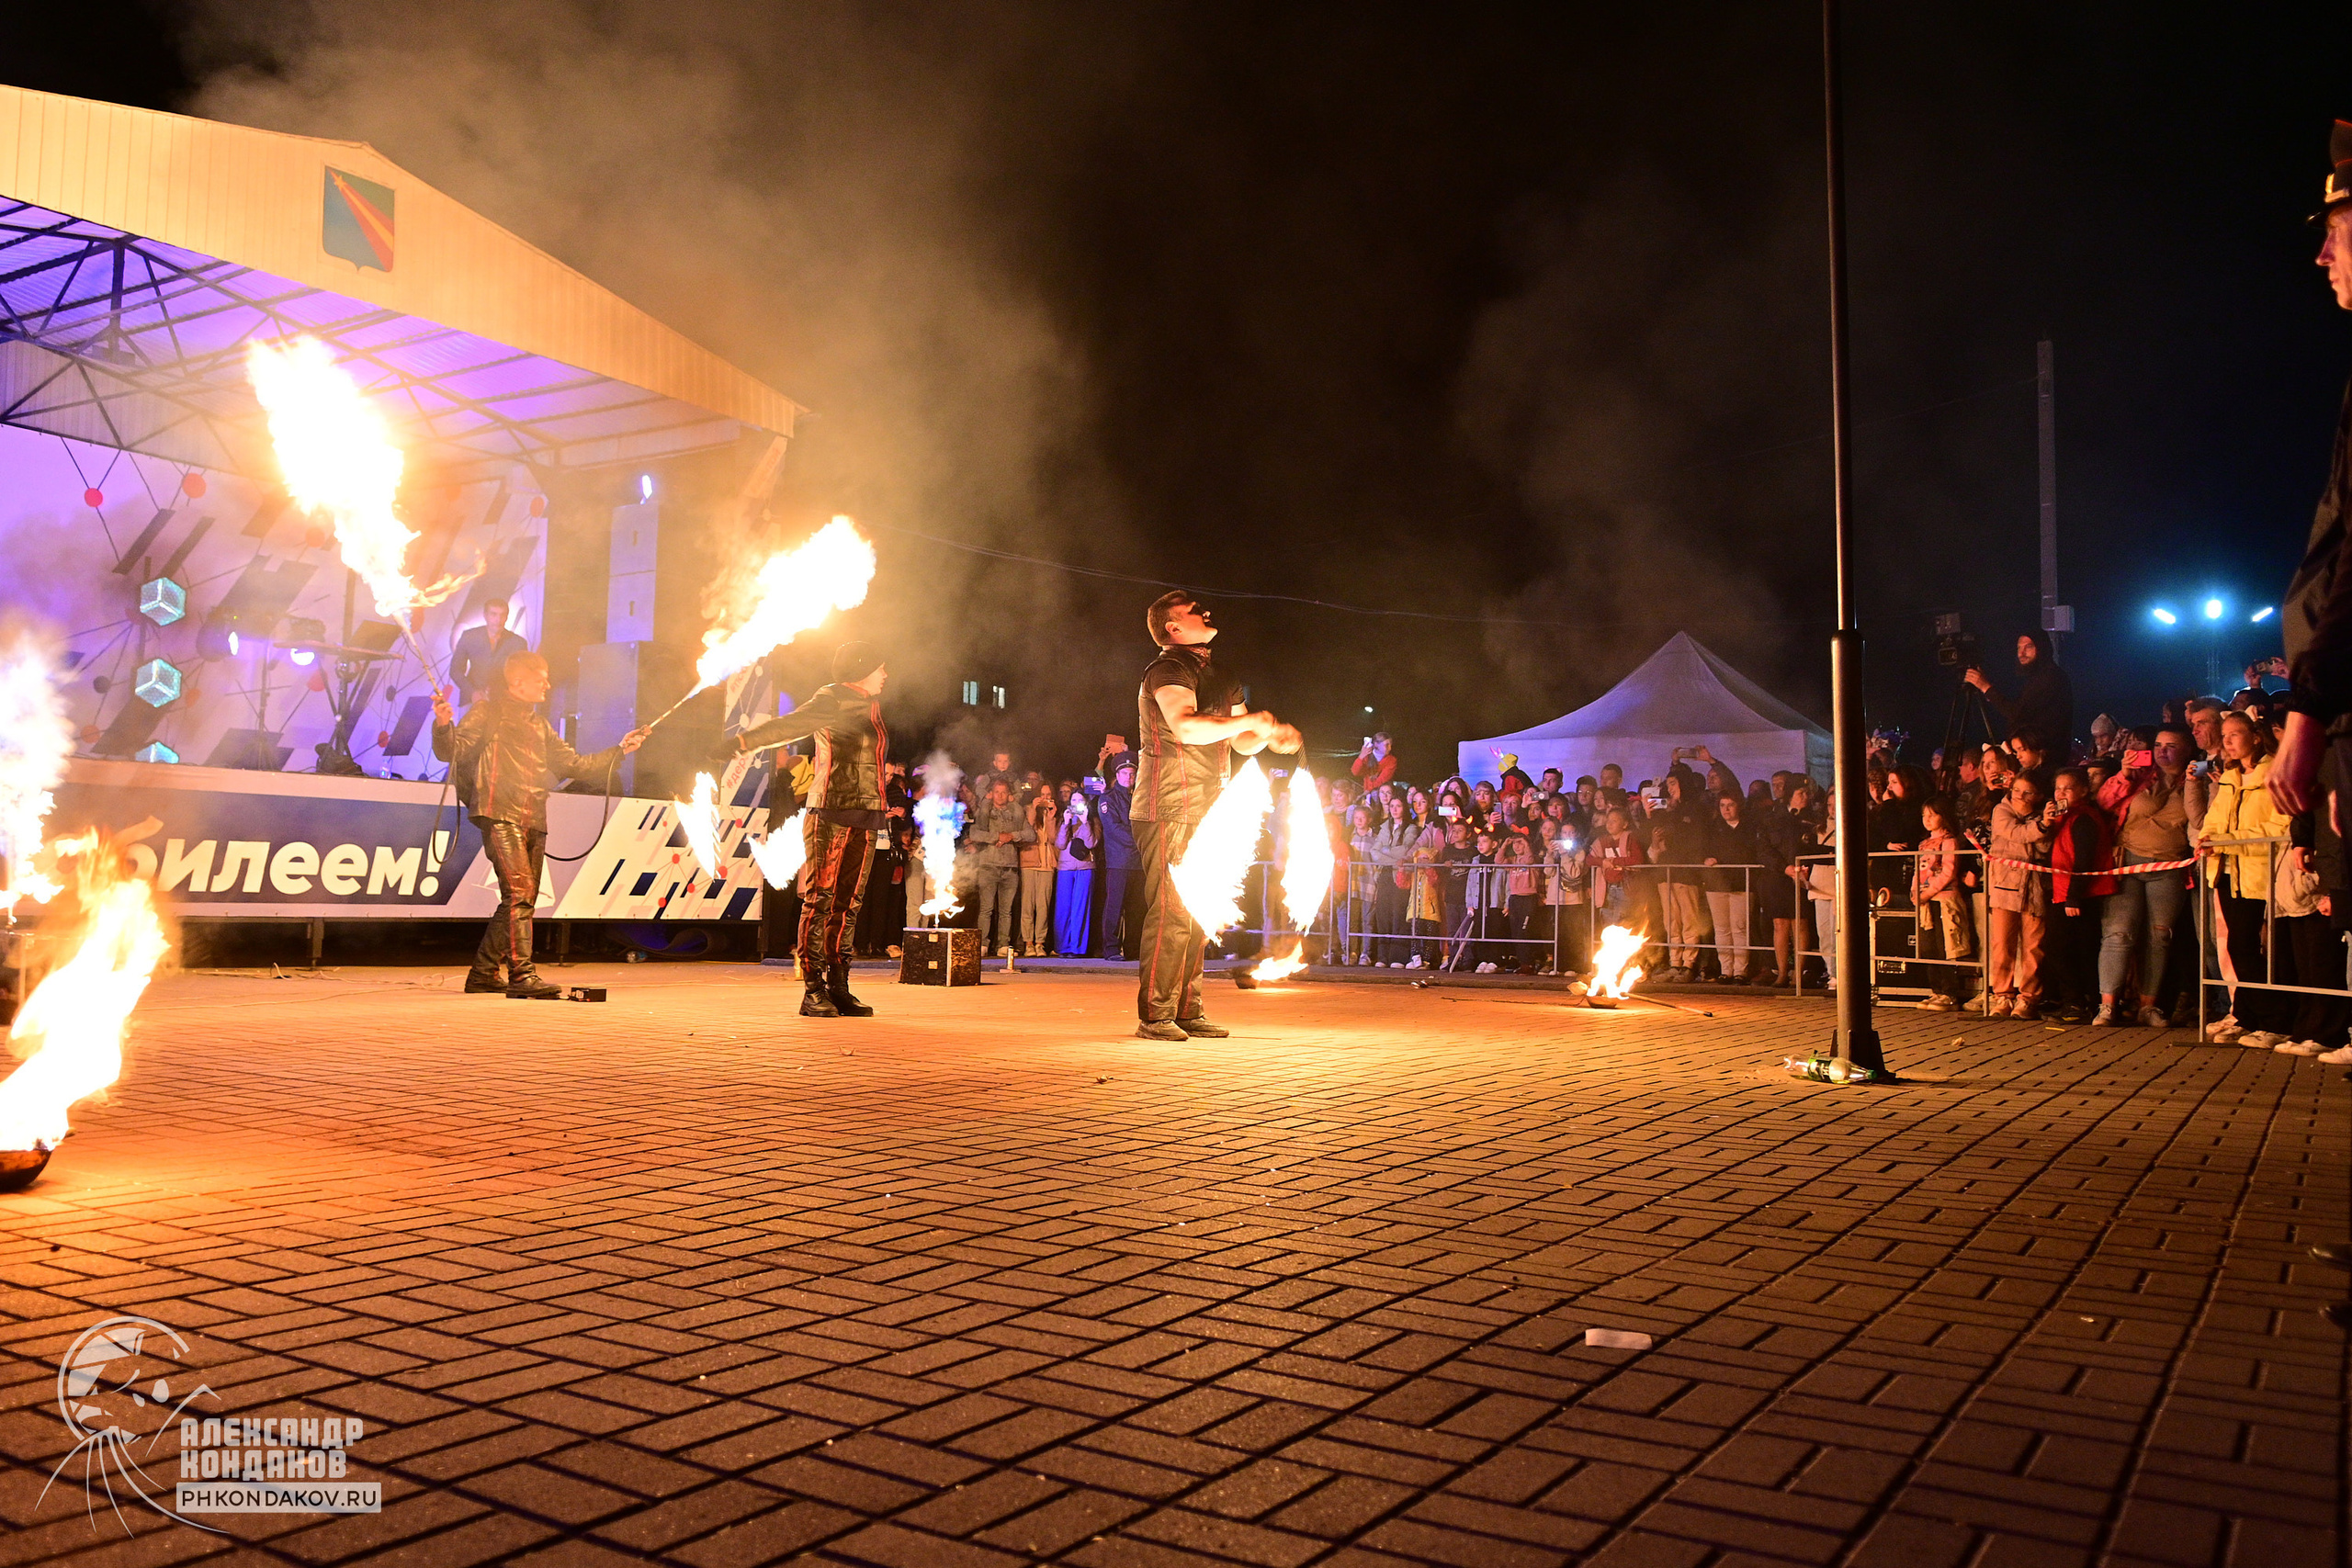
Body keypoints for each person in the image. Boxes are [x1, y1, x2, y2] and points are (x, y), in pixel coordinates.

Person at [1130, 592, 1301, 1040]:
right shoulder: (1168, 669)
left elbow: (1243, 743)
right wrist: (1254, 722)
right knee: (1172, 910)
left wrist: (1268, 734)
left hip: (1206, 808)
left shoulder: (1221, 674)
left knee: (1200, 909)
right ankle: (1155, 1014)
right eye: (1192, 610)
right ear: (1173, 627)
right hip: (1168, 802)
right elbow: (1185, 725)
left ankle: (1187, 1009)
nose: (1205, 612)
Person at [432, 651, 646, 998]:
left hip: (534, 815)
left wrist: (621, 749)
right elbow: (451, 750)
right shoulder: (488, 712)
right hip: (499, 810)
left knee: (523, 896)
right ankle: (521, 976)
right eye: (540, 678)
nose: (547, 683)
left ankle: (484, 974)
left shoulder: (539, 726)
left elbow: (576, 764)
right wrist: (443, 725)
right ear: (517, 683)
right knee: (519, 893)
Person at [721, 642, 894, 1017]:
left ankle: (840, 987)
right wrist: (742, 743)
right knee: (822, 900)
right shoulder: (831, 698)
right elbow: (789, 726)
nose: (885, 674)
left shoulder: (873, 706)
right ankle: (813, 990)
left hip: (867, 814)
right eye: (880, 667)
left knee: (850, 905)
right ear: (862, 669)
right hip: (830, 810)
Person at [2200, 711, 2290, 1043]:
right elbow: (2214, 819)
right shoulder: (2229, 777)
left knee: (2259, 948)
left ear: (2255, 736)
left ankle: (2273, 1020)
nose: (2226, 741)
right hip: (2226, 871)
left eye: (2234, 734)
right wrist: (2210, 840)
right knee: (2239, 947)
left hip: (2260, 871)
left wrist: (2229, 840)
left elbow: (2281, 824)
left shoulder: (2272, 774)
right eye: (2223, 735)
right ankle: (2246, 1014)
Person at [2101, 726, 2193, 1027]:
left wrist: (2198, 773)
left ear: (2188, 749)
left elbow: (2218, 765)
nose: (2162, 751)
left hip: (2169, 867)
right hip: (2127, 863)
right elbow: (2103, 801)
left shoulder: (2197, 773)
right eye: (2158, 745)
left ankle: (2148, 1006)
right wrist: (2124, 775)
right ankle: (2107, 1006)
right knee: (2119, 932)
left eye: (2172, 745)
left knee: (2160, 937)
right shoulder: (2142, 776)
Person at [2043, 767, 2115, 1023]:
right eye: (2057, 788)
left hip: (2078, 895)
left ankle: (2077, 1002)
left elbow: (2084, 859)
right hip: (2064, 892)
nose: (2061, 793)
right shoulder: (2065, 817)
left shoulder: (2083, 818)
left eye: (2068, 788)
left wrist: (2074, 896)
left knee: (2065, 949)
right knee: (2067, 949)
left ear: (2083, 791)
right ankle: (2075, 1001)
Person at [1984, 773, 2052, 1020]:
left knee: (2034, 946)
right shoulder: (2001, 810)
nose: (2021, 797)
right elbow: (2015, 834)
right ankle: (2002, 995)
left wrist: (2046, 825)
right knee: (2003, 943)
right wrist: (2041, 827)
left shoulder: (2043, 815)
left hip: (2034, 887)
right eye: (2017, 790)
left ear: (2040, 796)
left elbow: (2044, 847)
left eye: (2028, 792)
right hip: (2005, 885)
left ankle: (2029, 998)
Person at [1963, 629, 2075, 758]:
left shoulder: (2050, 677)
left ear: (2041, 648)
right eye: (2019, 648)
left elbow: (2017, 712)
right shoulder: (2035, 678)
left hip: (2045, 756)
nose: (2022, 653)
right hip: (2034, 754)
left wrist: (1985, 687)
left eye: (2028, 646)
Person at [1912, 797, 1975, 1010]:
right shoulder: (1923, 844)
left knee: (1945, 947)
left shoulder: (1949, 841)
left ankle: (1949, 992)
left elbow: (1948, 871)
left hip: (1944, 900)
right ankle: (1936, 990)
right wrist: (1915, 892)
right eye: (1924, 815)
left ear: (1944, 816)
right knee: (1929, 947)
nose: (1927, 819)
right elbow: (1917, 871)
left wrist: (1928, 892)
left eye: (1932, 814)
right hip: (1925, 902)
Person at [967, 778, 1032, 960]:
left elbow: (1030, 833)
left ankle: (1003, 944)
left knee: (1006, 910)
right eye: (997, 792)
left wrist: (1011, 835)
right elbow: (975, 833)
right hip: (988, 865)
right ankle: (982, 944)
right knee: (986, 909)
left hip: (1010, 867)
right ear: (992, 793)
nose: (1000, 795)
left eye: (1004, 792)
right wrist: (996, 836)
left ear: (1009, 794)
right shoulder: (985, 811)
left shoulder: (1016, 812)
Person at [1702, 790, 1759, 983]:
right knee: (1722, 928)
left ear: (1738, 806)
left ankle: (1740, 971)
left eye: (1730, 805)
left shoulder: (1750, 827)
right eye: (1722, 805)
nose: (1726, 809)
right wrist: (1705, 859)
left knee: (1739, 928)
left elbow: (1751, 853)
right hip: (1716, 883)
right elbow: (1701, 850)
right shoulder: (1712, 828)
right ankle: (1726, 969)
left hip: (1742, 883)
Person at [1092, 750, 1138, 959]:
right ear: (1117, 775)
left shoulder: (1139, 798)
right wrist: (1143, 841)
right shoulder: (1107, 799)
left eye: (1132, 774)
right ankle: (1110, 948)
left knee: (1137, 908)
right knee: (1115, 906)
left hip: (1138, 861)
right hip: (1119, 860)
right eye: (1125, 774)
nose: (1129, 778)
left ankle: (1133, 948)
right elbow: (1114, 829)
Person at [447, 597, 528, 707]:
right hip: (472, 701)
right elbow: (455, 670)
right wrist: (472, 692)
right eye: (493, 614)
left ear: (507, 617)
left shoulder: (518, 643)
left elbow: (522, 676)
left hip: (503, 703)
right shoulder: (469, 636)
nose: (498, 619)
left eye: (502, 615)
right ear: (485, 615)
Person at [1053, 791, 1097, 956]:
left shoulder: (1093, 820)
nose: (1076, 803)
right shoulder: (1064, 820)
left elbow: (1091, 842)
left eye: (1080, 800)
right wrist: (1065, 823)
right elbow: (1060, 844)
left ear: (1086, 803)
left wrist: (1085, 822)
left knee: (1080, 909)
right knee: (1063, 909)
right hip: (1065, 867)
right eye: (1073, 800)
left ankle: (1077, 948)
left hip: (1085, 867)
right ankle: (1062, 947)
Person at [1019, 784, 1057, 956]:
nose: (1045, 798)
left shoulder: (1054, 813)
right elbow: (1027, 831)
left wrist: (1051, 817)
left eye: (1049, 794)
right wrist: (1034, 809)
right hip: (1029, 861)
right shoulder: (1027, 809)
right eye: (1042, 794)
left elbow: (1054, 838)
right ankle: (1028, 943)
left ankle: (1040, 943)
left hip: (1047, 864)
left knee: (1043, 906)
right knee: (1028, 905)